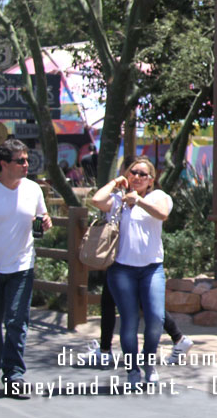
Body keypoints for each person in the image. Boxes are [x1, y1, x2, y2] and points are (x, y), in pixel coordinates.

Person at [0, 139, 51, 399]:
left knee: (17, 321)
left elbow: (42, 218)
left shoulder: (33, 189)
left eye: (26, 160)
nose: (26, 165)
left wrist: (45, 222)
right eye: (20, 161)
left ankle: (13, 375)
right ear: (4, 164)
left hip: (21, 266)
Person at [90, 156, 171, 386]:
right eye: (133, 172)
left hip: (151, 268)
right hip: (122, 269)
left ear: (151, 180)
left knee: (156, 318)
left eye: (142, 174)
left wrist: (139, 201)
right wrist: (116, 182)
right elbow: (97, 200)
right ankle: (132, 370)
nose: (136, 177)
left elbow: (162, 214)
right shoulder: (117, 200)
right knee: (129, 321)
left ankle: (148, 361)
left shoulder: (158, 197)